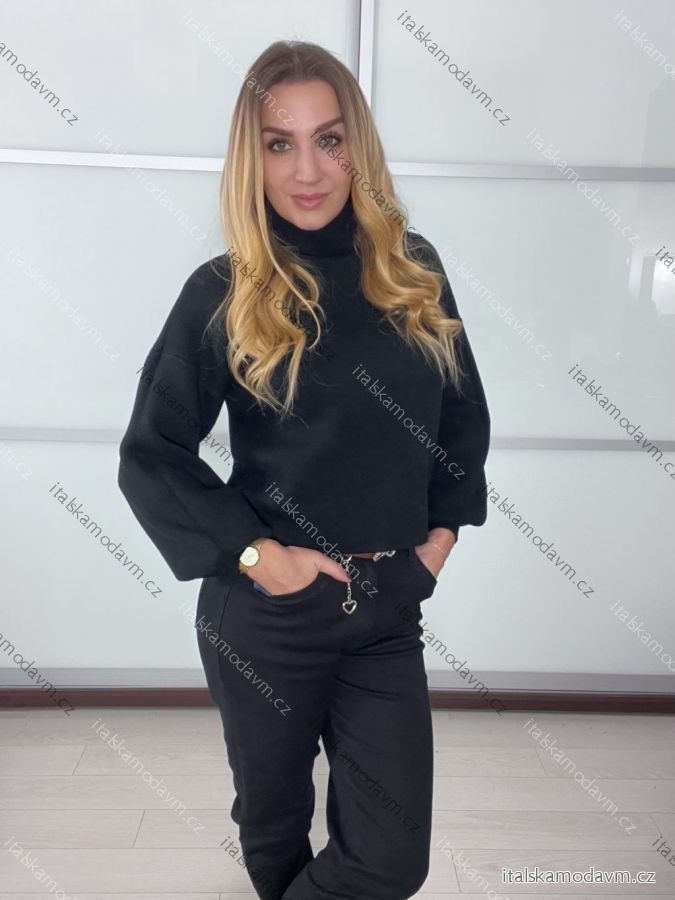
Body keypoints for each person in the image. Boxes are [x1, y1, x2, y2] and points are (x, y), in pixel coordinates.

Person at [118, 39, 490, 900]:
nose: (308, 170)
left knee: (389, 858)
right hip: (265, 616)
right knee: (275, 836)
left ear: (357, 146)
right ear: (251, 159)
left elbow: (460, 417)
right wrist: (258, 558)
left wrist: (436, 545)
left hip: (386, 607)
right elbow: (152, 453)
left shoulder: (412, 271)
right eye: (279, 144)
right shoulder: (224, 289)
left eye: (329, 139)